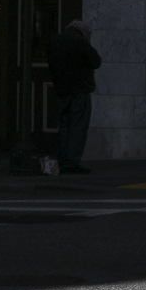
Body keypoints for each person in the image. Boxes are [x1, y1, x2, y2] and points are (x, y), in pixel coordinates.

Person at [45, 18, 100, 174]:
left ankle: (63, 159)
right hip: (79, 89)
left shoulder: (55, 41)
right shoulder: (80, 41)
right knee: (78, 126)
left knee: (64, 125)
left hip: (61, 89)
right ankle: (72, 162)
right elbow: (96, 61)